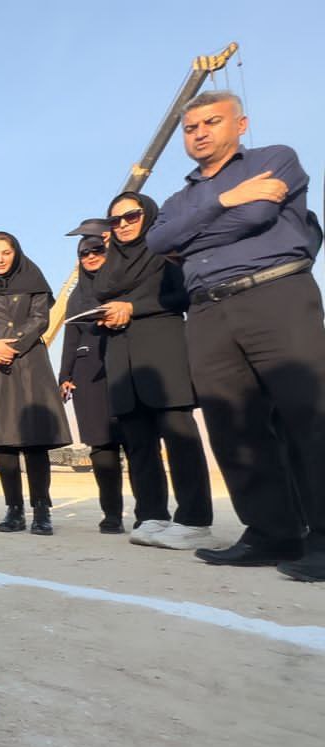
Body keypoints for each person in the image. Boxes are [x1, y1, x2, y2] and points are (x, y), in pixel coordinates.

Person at [146, 90, 325, 580]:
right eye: (191, 127)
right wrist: (226, 200)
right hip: (207, 311)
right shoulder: (177, 199)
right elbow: (159, 241)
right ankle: (271, 533)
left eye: (211, 122)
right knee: (232, 425)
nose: (200, 133)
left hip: (276, 293)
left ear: (240, 124)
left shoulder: (274, 159)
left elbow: (257, 216)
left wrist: (192, 233)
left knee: (308, 415)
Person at [94, 191, 218, 550]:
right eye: (115, 220)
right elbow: (98, 296)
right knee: (139, 445)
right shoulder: (109, 264)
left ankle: (194, 519)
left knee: (180, 439)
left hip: (163, 356)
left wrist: (132, 307)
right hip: (122, 359)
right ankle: (151, 515)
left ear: (147, 215)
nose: (123, 225)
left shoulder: (166, 252)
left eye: (131, 216)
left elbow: (183, 295)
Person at [0, 232, 72, 535]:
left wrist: (11, 347)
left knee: (34, 442)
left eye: (5, 253)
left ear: (16, 254)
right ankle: (13, 509)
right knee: (3, 443)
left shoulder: (34, 284)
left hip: (27, 366)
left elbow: (40, 320)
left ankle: (41, 509)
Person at [58, 231, 125, 534]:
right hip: (88, 371)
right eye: (84, 253)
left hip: (125, 363)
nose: (91, 256)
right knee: (101, 447)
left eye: (97, 250)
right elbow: (70, 338)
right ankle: (112, 514)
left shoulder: (125, 282)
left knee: (137, 442)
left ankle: (151, 513)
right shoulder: (77, 297)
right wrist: (65, 375)